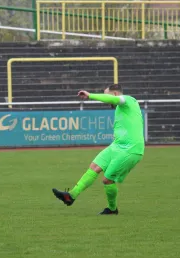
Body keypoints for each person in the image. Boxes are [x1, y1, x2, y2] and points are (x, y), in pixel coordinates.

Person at [52, 84, 144, 215]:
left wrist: (90, 95)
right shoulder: (120, 108)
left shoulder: (128, 100)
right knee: (94, 166)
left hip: (131, 149)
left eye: (107, 95)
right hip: (117, 146)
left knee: (107, 180)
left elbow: (114, 100)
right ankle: (70, 196)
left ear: (116, 94)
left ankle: (112, 209)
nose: (106, 100)